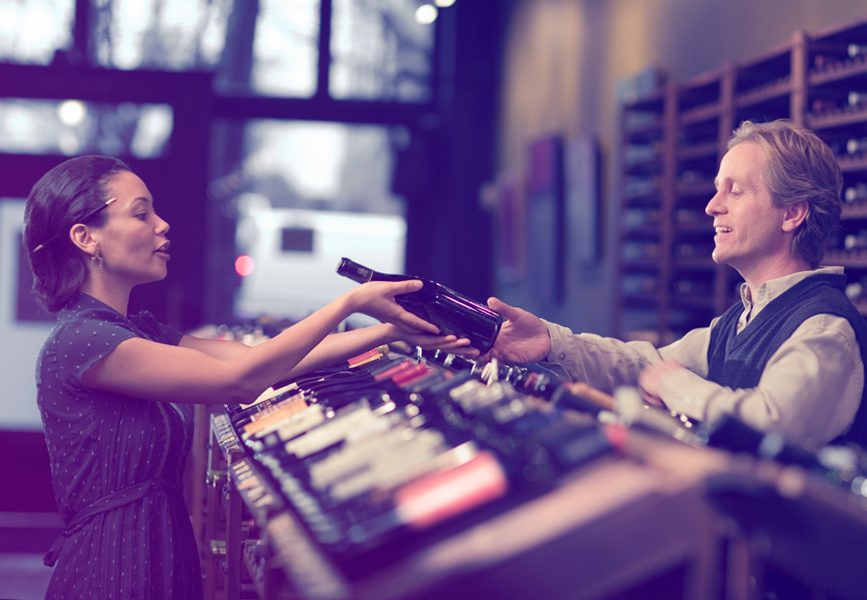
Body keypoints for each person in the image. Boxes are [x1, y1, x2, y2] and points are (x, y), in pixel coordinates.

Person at [24, 154, 468, 599]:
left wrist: (391, 333)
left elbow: (259, 359)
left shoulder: (135, 331)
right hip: (111, 566)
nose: (162, 225)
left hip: (158, 549)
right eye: (142, 214)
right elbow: (240, 380)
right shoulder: (83, 341)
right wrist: (346, 304)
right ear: (85, 237)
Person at [487, 120, 867, 450]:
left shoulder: (824, 329)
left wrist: (678, 386)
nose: (712, 206)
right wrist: (551, 342)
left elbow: (774, 425)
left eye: (735, 190)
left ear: (792, 213)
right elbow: (644, 365)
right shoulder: (738, 323)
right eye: (719, 188)